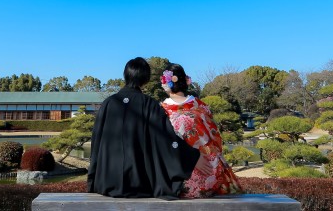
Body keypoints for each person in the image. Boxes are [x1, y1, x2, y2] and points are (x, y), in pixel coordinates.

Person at [87, 57, 202, 198]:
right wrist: (191, 155)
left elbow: (96, 143)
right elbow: (166, 139)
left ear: (126, 75)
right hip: (139, 184)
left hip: (106, 182)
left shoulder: (108, 103)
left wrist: (93, 178)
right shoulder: (150, 105)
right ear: (146, 79)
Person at [160, 62, 243, 198]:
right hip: (209, 166)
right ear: (184, 80)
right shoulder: (200, 106)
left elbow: (163, 144)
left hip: (177, 171)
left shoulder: (162, 110)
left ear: (166, 83)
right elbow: (215, 136)